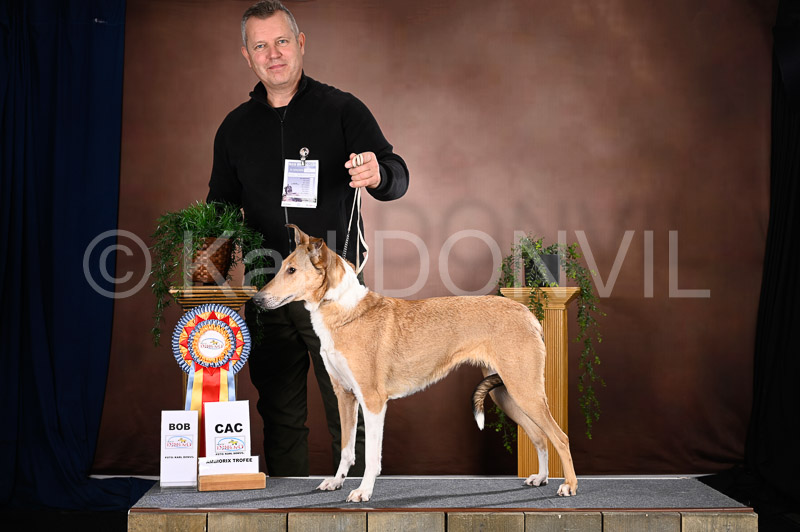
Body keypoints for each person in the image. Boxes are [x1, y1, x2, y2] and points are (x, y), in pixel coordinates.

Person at [207, 0, 409, 477]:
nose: (273, 54)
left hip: (334, 294)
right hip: (269, 291)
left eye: (281, 41)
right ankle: (286, 508)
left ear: (300, 43)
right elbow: (218, 210)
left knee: (352, 409)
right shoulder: (234, 128)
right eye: (261, 46)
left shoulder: (342, 110)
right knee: (279, 419)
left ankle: (360, 504)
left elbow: (396, 174)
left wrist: (378, 174)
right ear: (247, 56)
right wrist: (205, 272)